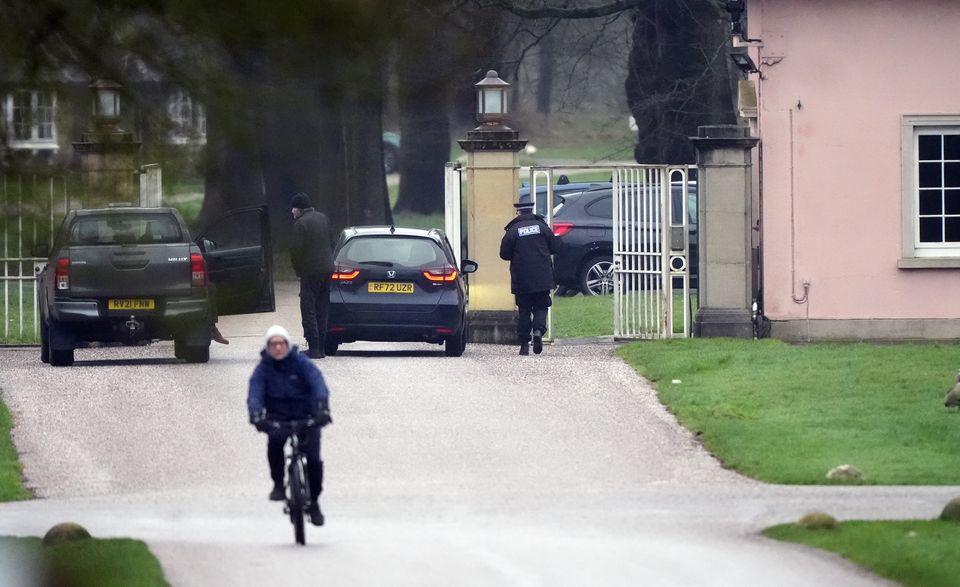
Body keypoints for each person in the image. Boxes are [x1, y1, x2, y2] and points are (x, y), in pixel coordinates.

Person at [248, 325, 332, 526]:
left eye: (281, 343)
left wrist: (322, 408)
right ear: (268, 347)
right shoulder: (263, 369)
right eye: (273, 344)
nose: (278, 348)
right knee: (275, 443)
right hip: (279, 418)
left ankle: (314, 502)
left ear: (287, 344)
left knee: (313, 459)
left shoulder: (301, 363)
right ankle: (278, 484)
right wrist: (257, 415)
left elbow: (318, 383)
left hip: (307, 416)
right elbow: (255, 394)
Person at [499, 200, 561, 355]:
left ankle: (524, 344)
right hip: (542, 276)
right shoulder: (542, 227)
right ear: (531, 211)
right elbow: (555, 247)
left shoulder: (513, 230)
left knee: (524, 310)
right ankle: (538, 331)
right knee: (541, 306)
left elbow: (504, 254)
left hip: (522, 278)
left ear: (518, 212)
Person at [289, 192, 335, 359]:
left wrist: (298, 270)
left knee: (308, 308)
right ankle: (321, 347)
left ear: (299, 208)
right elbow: (332, 242)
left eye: (293, 209)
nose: (292, 212)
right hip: (328, 269)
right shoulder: (324, 218)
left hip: (310, 272)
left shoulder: (300, 224)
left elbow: (296, 251)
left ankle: (313, 347)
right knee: (322, 308)